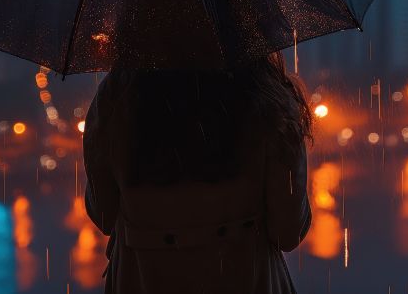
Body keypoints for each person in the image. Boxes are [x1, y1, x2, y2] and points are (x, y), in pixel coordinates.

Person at [82, 50, 313, 293]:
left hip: (142, 280)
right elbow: (289, 231)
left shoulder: (117, 96)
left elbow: (103, 215)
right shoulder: (266, 96)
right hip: (247, 280)